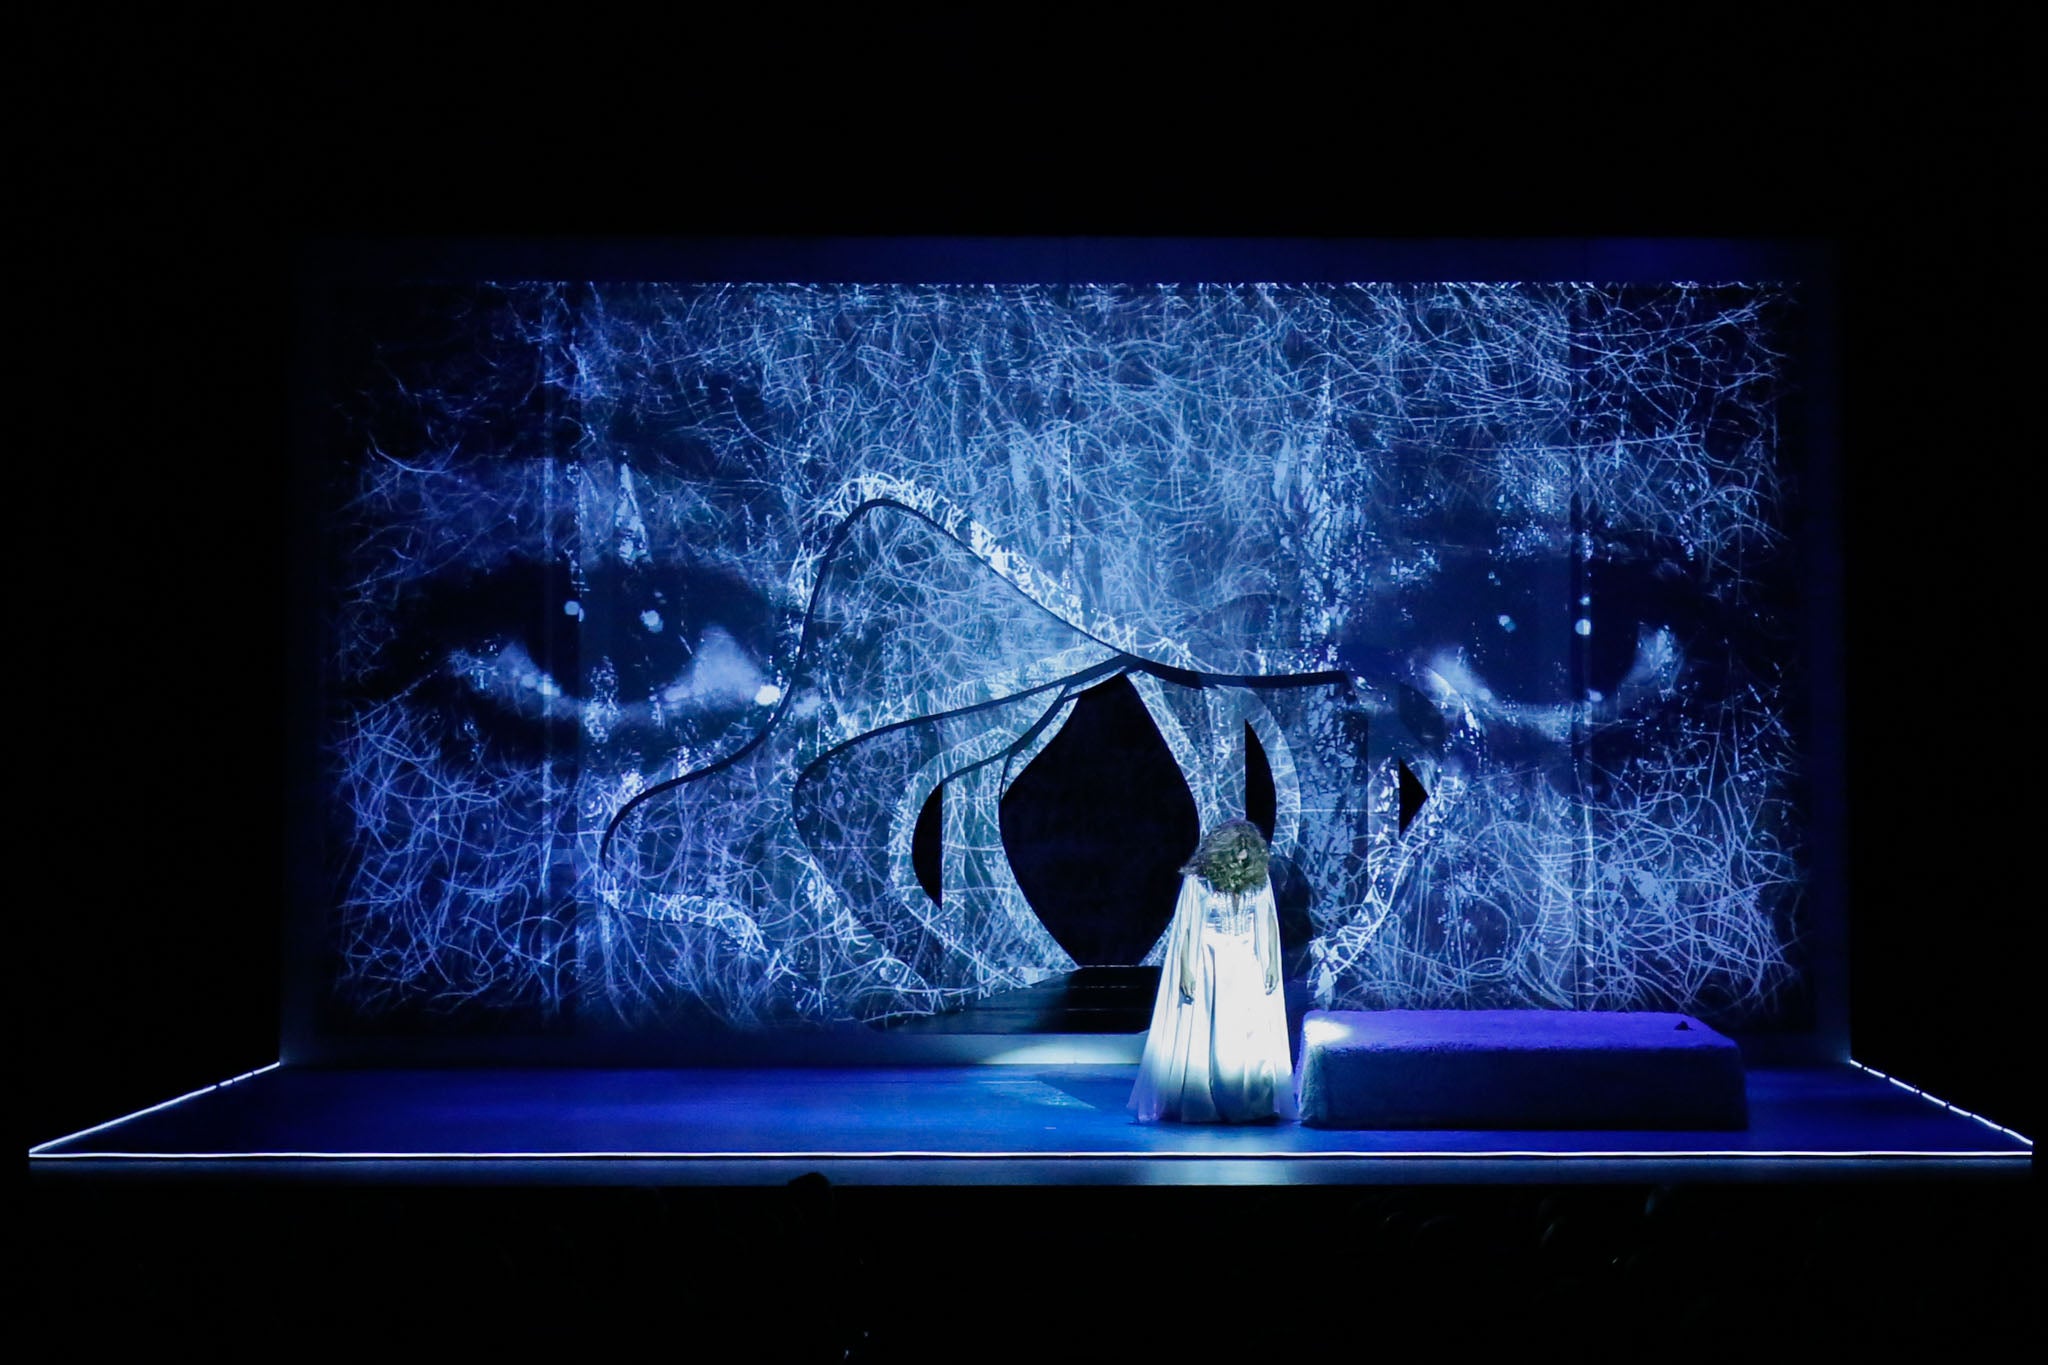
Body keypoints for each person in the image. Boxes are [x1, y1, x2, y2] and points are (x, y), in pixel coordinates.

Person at [1128, 819, 1299, 1123]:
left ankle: (1249, 1099)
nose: (1239, 862)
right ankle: (1203, 1098)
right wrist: (1186, 969)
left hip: (1247, 961)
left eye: (1245, 856)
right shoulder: (1199, 881)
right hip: (1210, 962)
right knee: (1210, 1029)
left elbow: (1268, 922)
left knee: (1247, 1031)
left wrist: (1272, 961)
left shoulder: (1257, 880)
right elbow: (1187, 929)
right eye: (1234, 855)